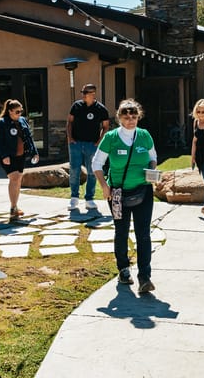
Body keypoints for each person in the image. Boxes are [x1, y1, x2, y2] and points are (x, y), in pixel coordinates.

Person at [92, 99, 158, 293]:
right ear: (119, 117)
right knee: (121, 232)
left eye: (134, 116)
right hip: (118, 193)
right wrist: (104, 186)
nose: (131, 120)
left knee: (143, 234)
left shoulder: (144, 135)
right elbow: (96, 164)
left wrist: (152, 171)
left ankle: (145, 276)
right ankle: (123, 270)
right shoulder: (111, 138)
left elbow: (153, 157)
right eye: (126, 116)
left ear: (139, 117)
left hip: (143, 190)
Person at [66, 83, 110, 211]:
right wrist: (70, 138)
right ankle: (74, 198)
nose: (83, 95)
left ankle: (89, 199)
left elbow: (106, 126)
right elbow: (69, 122)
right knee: (74, 170)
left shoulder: (101, 109)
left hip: (92, 145)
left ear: (93, 93)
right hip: (75, 144)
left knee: (92, 172)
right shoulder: (76, 106)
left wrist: (99, 141)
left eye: (86, 92)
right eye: (82, 92)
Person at [0, 98, 39, 222]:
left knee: (18, 179)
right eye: (17, 111)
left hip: (21, 155)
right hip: (8, 155)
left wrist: (34, 152)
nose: (20, 114)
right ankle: (13, 209)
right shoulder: (1, 123)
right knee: (14, 178)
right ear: (9, 111)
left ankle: (15, 206)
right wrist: (4, 156)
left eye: (21, 111)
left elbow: (29, 137)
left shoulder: (23, 121)